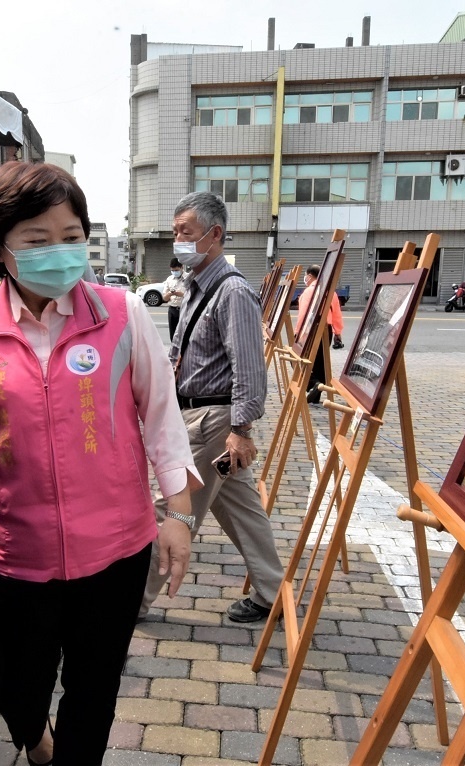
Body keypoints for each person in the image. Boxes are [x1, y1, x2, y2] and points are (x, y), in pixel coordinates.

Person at [0, 161, 198, 766]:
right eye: (36, 240)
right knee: (14, 683)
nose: (59, 252)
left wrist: (178, 515)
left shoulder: (121, 315)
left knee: (95, 688)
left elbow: (162, 419)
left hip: (117, 549)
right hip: (16, 553)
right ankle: (35, 736)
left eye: (71, 237)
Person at [140, 191, 284, 624]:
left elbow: (249, 368)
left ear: (214, 234)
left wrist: (241, 428)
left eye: (185, 232)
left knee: (175, 508)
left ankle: (132, 600)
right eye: (175, 232)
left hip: (213, 420)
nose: (177, 240)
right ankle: (273, 592)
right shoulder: (199, 287)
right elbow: (185, 353)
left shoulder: (232, 291)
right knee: (239, 507)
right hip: (201, 415)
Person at [297, 264, 344, 404]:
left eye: (306, 276)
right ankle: (316, 395)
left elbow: (303, 314)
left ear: (310, 276)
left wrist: (298, 333)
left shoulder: (308, 292)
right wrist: (338, 332)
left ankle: (313, 385)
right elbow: (337, 314)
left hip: (311, 329)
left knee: (301, 359)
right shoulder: (331, 292)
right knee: (321, 363)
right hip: (327, 330)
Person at [161, 257, 188, 341]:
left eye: (176, 270)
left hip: (185, 309)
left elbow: (194, 295)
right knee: (173, 336)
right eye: (173, 270)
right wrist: (169, 293)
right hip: (172, 309)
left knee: (184, 335)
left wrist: (182, 294)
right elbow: (165, 298)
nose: (174, 272)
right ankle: (174, 352)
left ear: (181, 267)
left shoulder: (189, 278)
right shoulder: (169, 279)